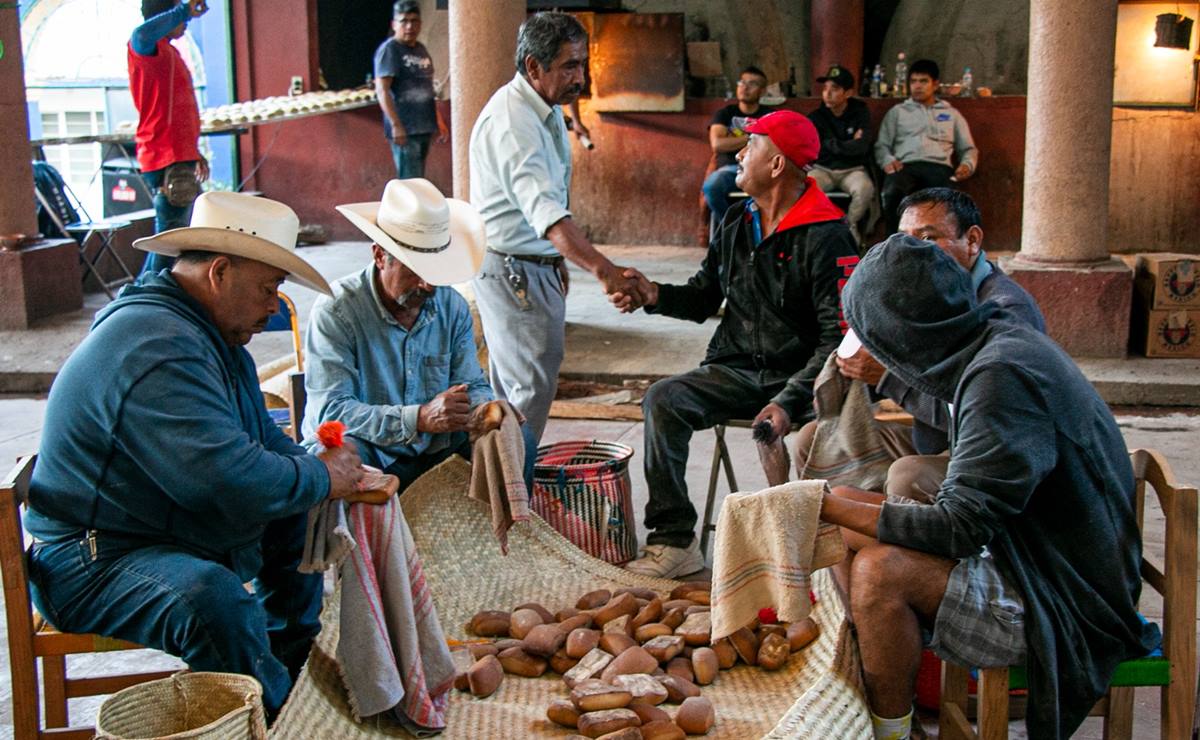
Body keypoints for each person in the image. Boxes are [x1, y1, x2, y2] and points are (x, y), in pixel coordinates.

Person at [22, 192, 363, 716]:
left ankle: (288, 675)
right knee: (211, 600)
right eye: (268, 288)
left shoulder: (211, 336)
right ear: (219, 272)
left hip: (154, 530)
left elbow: (261, 442)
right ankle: (275, 717)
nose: (274, 305)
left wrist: (323, 471)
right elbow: (224, 482)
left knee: (296, 513)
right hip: (90, 562)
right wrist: (319, 476)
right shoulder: (155, 346)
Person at [820, 233, 1159, 740]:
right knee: (846, 507)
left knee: (879, 571)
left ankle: (889, 730)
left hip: (1065, 601)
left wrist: (821, 507)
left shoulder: (1001, 377)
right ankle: (885, 682)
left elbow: (959, 529)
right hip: (1028, 552)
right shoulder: (988, 337)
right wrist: (833, 507)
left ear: (904, 335)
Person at [611, 111, 858, 578]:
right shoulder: (735, 219)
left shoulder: (828, 235)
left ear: (778, 164)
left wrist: (788, 400)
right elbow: (705, 296)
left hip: (800, 380)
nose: (740, 153)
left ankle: (814, 549)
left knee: (820, 437)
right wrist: (653, 295)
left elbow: (837, 339)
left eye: (753, 144)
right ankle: (674, 541)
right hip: (736, 369)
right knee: (663, 400)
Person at [794, 187, 1044, 503]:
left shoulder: (1005, 312)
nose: (911, 252)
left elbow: (983, 415)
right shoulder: (925, 295)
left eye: (927, 238)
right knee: (812, 439)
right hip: (931, 439)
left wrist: (889, 378)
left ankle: (885, 530)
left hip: (986, 455)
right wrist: (850, 377)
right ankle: (840, 528)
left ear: (972, 240)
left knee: (907, 475)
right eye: (904, 239)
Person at [469, 11, 637, 442]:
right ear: (533, 66)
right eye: (568, 66)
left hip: (530, 263)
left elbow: (547, 208)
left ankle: (506, 478)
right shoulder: (514, 123)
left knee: (520, 392)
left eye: (582, 65)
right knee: (526, 395)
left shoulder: (542, 109)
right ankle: (512, 482)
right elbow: (547, 214)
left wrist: (554, 260)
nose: (579, 77)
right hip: (512, 271)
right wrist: (604, 271)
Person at [304, 178, 535, 489]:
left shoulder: (451, 306)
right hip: (373, 447)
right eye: (415, 270)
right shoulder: (337, 310)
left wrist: (482, 409)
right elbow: (332, 411)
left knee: (516, 437)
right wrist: (419, 418)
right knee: (337, 455)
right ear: (379, 256)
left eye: (435, 271)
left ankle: (505, 523)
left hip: (433, 446)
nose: (428, 285)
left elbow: (471, 383)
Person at [129, 0, 209, 275]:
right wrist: (183, 10)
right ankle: (147, 290)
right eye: (176, 14)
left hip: (176, 154)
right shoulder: (145, 47)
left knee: (172, 234)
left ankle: (143, 290)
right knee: (170, 241)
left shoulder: (168, 52)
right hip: (164, 155)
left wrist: (192, 151)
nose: (184, 23)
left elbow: (177, 112)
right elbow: (141, 34)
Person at [874, 59, 978, 233]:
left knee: (947, 202)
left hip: (939, 167)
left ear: (935, 84)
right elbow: (881, 145)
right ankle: (894, 242)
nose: (917, 86)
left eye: (923, 81)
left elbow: (968, 148)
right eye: (913, 81)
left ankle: (941, 244)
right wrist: (887, 161)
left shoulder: (951, 114)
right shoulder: (897, 112)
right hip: (905, 166)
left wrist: (967, 164)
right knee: (891, 193)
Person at [373, 0, 449, 180]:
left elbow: (428, 89)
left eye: (414, 21)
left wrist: (438, 120)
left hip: (424, 126)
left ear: (420, 24)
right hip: (405, 129)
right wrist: (396, 125)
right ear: (394, 24)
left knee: (418, 179)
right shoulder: (390, 50)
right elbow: (382, 91)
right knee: (410, 183)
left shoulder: (421, 50)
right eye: (404, 21)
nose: (409, 26)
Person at [807, 64, 874, 244]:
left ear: (848, 93)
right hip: (823, 169)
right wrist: (848, 144)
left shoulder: (860, 112)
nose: (827, 93)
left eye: (835, 89)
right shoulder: (816, 117)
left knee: (865, 189)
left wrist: (831, 144)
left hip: (852, 170)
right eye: (825, 88)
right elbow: (816, 149)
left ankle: (849, 224)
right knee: (806, 188)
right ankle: (821, 228)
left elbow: (862, 147)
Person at [701, 66, 778, 220]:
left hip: (760, 170)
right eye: (742, 82)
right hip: (730, 170)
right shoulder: (725, 114)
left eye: (752, 83)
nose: (745, 87)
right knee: (711, 187)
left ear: (762, 91)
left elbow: (775, 145)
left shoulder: (770, 116)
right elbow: (718, 144)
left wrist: (733, 141)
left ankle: (765, 227)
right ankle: (732, 225)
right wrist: (754, 137)